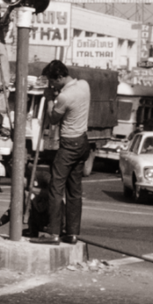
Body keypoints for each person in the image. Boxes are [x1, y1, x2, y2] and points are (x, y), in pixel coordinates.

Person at [26, 60, 90, 244]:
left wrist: (49, 99)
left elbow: (53, 119)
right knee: (74, 190)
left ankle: (53, 233)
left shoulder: (64, 97)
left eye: (52, 82)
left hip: (69, 143)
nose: (52, 85)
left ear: (60, 77)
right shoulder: (84, 86)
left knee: (56, 187)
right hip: (83, 142)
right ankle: (72, 233)